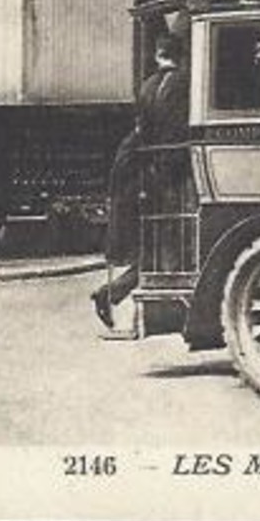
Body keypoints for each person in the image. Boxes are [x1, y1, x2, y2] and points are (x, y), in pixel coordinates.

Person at [92, 33, 189, 326]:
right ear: (180, 55)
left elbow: (143, 131)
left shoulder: (146, 87)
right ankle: (155, 311)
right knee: (174, 245)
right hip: (177, 174)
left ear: (158, 55)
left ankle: (116, 296)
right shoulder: (184, 83)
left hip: (151, 175)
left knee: (158, 246)